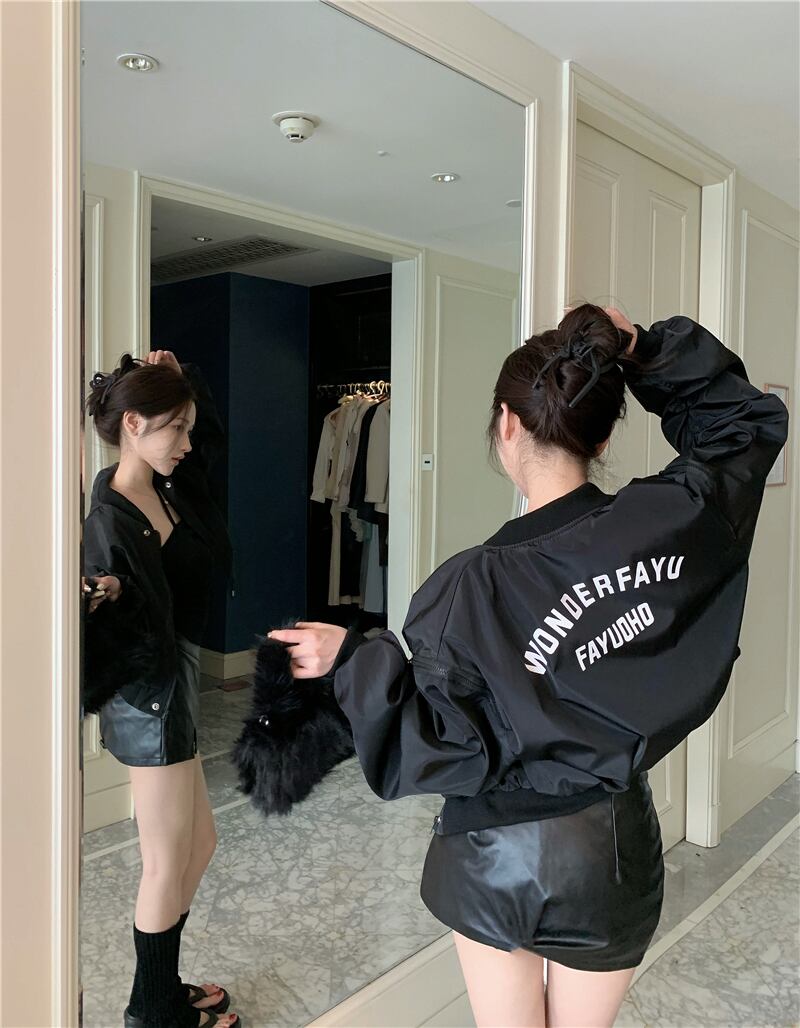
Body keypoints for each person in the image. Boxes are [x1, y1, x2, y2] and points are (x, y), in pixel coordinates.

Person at [270, 305, 788, 1028]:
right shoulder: (676, 519)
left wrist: (354, 658)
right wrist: (641, 347)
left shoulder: (467, 587)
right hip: (610, 851)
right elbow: (744, 424)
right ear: (602, 437)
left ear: (506, 424)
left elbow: (442, 745)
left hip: (492, 853)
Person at [84, 350, 241, 1028]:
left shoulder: (170, 484)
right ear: (134, 424)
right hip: (149, 700)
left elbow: (212, 447)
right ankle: (152, 1011)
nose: (186, 442)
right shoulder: (109, 515)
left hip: (175, 685)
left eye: (188, 428)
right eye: (175, 428)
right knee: (165, 861)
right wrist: (108, 593)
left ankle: (159, 989)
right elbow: (103, 631)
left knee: (197, 846)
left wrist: (189, 380)